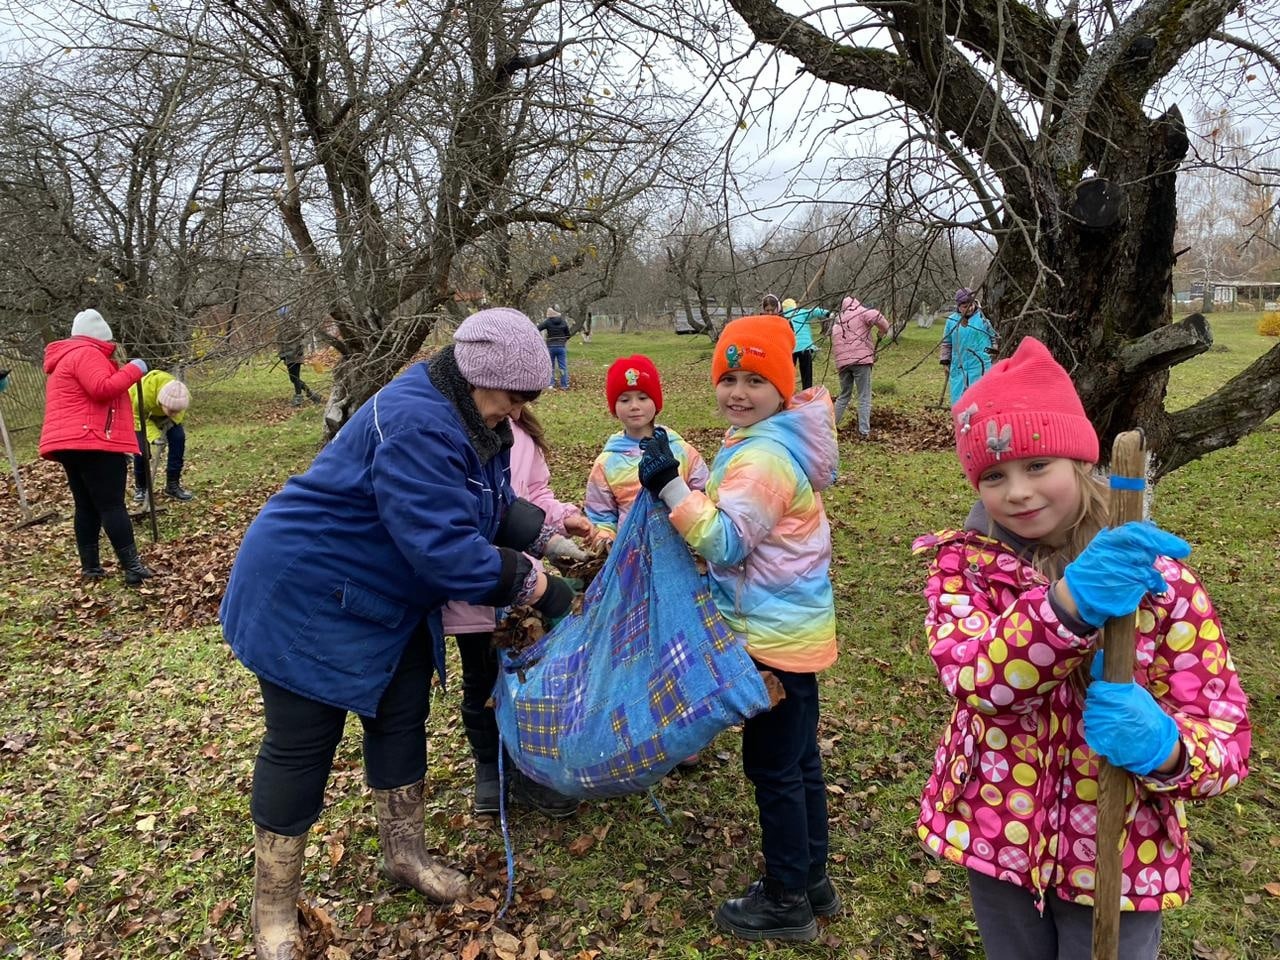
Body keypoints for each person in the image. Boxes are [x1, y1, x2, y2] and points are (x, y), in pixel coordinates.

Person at [220, 307, 579, 960]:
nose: (515, 414)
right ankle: (272, 904)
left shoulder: (477, 417)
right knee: (302, 745)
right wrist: (540, 586)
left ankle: (405, 855)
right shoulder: (417, 420)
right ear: (475, 377)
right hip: (310, 589)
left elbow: (486, 503)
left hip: (391, 595)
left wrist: (553, 541)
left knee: (401, 717)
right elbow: (445, 549)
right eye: (510, 400)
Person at [912, 337, 1250, 960]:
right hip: (998, 836)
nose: (1016, 492)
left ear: (1079, 460)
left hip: (1120, 849)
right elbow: (977, 682)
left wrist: (1167, 748)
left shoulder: (1158, 582)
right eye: (994, 475)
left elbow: (1226, 737)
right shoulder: (965, 570)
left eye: (1037, 465)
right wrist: (1068, 607)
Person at [637, 316, 839, 941]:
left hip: (769, 638)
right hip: (792, 632)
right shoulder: (762, 443)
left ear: (782, 388)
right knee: (799, 759)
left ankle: (786, 900)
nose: (738, 392)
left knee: (775, 767)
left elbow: (726, 542)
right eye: (729, 377)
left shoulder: (763, 458)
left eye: (756, 379)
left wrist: (672, 488)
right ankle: (812, 879)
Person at [443, 404, 593, 819]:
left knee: (532, 681)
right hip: (476, 590)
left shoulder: (521, 431)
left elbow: (535, 493)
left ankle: (531, 771)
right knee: (482, 681)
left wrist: (564, 519)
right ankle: (489, 769)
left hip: (529, 584)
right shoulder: (460, 430)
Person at [39, 308, 154, 584]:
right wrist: (134, 369)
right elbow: (102, 388)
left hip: (68, 442)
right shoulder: (86, 353)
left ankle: (91, 568)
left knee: (86, 505)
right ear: (101, 336)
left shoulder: (65, 356)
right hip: (93, 440)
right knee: (112, 505)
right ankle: (132, 567)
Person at [584, 354, 709, 548]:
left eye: (642, 398)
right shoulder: (606, 463)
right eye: (624, 400)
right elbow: (601, 515)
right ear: (614, 407)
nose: (634, 406)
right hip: (632, 556)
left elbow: (703, 494)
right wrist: (604, 538)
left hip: (683, 550)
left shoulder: (681, 451)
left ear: (656, 402)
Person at [831, 296, 891, 438]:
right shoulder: (861, 312)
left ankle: (830, 427)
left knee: (844, 395)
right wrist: (884, 329)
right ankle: (864, 431)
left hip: (843, 364)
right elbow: (877, 316)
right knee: (864, 395)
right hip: (861, 361)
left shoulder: (838, 321)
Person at [131, 371, 194, 502]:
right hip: (137, 415)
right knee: (141, 452)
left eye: (176, 411)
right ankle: (141, 488)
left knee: (178, 438)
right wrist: (154, 436)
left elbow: (179, 410)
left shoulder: (181, 394)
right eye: (171, 410)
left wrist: (172, 419)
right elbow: (139, 418)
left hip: (161, 414)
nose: (174, 413)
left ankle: (172, 486)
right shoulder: (144, 396)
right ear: (161, 402)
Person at [939, 287, 997, 404]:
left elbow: (993, 337)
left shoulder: (983, 319)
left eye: (971, 305)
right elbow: (947, 342)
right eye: (965, 307)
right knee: (959, 399)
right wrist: (945, 360)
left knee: (979, 398)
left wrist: (993, 351)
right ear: (959, 307)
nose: (969, 309)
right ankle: (961, 420)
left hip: (980, 365)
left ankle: (978, 421)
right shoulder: (951, 321)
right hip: (958, 366)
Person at [780, 297, 830, 390]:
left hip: (791, 349)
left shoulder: (783, 318)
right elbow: (814, 311)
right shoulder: (801, 312)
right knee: (806, 374)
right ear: (794, 305)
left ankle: (786, 391)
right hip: (805, 347)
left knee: (789, 373)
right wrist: (827, 313)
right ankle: (807, 393)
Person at [276, 307, 323, 407]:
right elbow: (281, 342)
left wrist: (299, 349)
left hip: (296, 355)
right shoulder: (281, 327)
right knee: (293, 378)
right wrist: (281, 355)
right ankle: (313, 395)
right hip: (288, 356)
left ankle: (298, 398)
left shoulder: (295, 325)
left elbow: (304, 338)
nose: (282, 318)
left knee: (295, 377)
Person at [538, 307, 571, 389]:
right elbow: (568, 335)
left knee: (551, 366)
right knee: (562, 366)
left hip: (551, 347)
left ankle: (551, 384)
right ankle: (564, 385)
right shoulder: (563, 322)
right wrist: (563, 341)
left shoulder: (547, 322)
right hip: (561, 347)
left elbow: (537, 328)